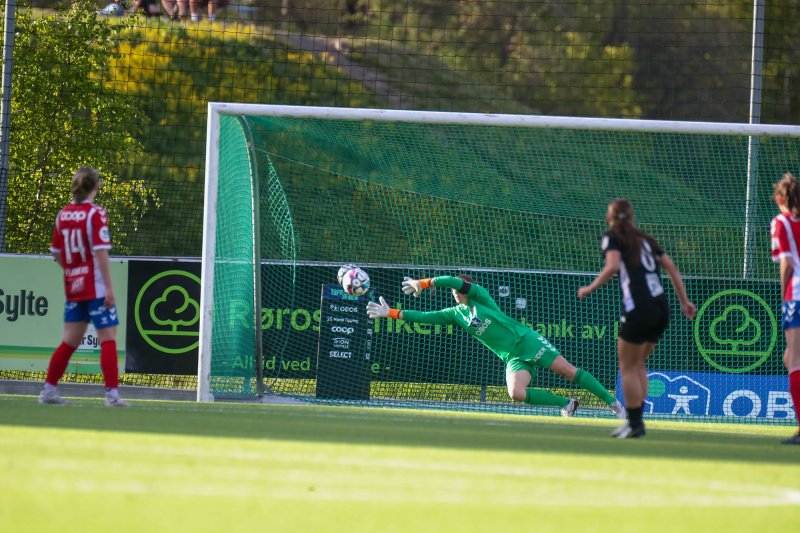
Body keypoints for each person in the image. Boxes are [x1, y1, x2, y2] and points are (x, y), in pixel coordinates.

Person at [366, 274, 626, 418]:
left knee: (568, 371)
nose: (455, 293)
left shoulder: (482, 297)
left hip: (526, 341)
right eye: (454, 292)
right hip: (513, 356)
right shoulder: (457, 313)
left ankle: (612, 403)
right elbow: (425, 318)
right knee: (516, 393)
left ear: (467, 289)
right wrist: (391, 312)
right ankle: (568, 403)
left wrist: (424, 283)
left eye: (459, 289)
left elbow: (454, 281)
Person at [578, 199, 695, 438]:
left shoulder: (613, 237)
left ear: (609, 218)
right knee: (639, 363)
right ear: (631, 217)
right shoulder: (645, 240)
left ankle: (634, 424)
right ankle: (636, 422)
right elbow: (672, 268)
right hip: (661, 306)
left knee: (628, 366)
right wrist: (684, 302)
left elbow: (611, 267)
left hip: (639, 307)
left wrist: (589, 288)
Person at [38, 167, 129, 407]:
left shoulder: (63, 214)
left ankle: (48, 391)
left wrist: (71, 271)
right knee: (108, 337)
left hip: (73, 286)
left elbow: (57, 253)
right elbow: (101, 253)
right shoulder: (96, 213)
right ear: (96, 186)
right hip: (96, 287)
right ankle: (112, 396)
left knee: (69, 341)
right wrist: (109, 288)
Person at [770, 172, 800, 445]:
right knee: (789, 356)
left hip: (797, 295)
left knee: (794, 360)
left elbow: (788, 264)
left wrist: (784, 297)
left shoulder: (781, 222)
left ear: (780, 198)